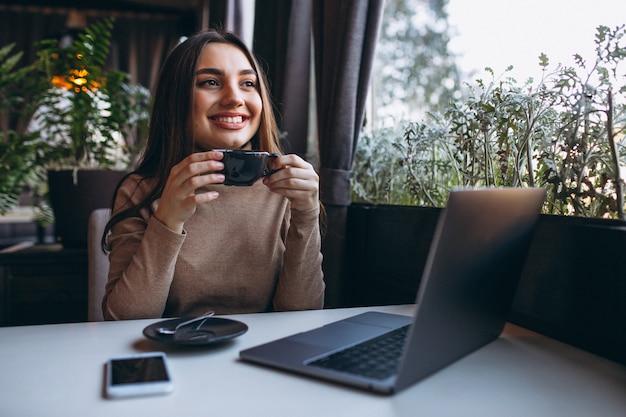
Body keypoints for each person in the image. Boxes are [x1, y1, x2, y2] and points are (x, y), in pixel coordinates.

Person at [101, 28, 325, 320]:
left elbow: (302, 314)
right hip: (172, 356)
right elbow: (122, 322)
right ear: (176, 98)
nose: (234, 98)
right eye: (210, 82)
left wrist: (307, 212)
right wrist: (167, 220)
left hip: (262, 356)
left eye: (248, 83)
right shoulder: (140, 190)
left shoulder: (285, 188)